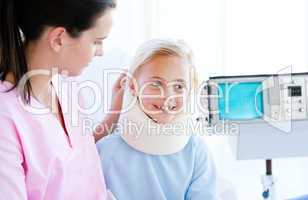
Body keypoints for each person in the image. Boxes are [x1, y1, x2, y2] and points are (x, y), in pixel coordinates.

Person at [0, 0, 124, 199]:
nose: (101, 52)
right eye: (97, 41)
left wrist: (113, 116)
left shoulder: (67, 86)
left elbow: (68, 160)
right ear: (58, 38)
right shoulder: (6, 118)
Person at [97, 39, 218, 200]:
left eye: (179, 86)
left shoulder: (196, 151)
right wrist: (112, 116)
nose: (167, 96)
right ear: (132, 86)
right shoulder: (105, 150)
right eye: (155, 83)